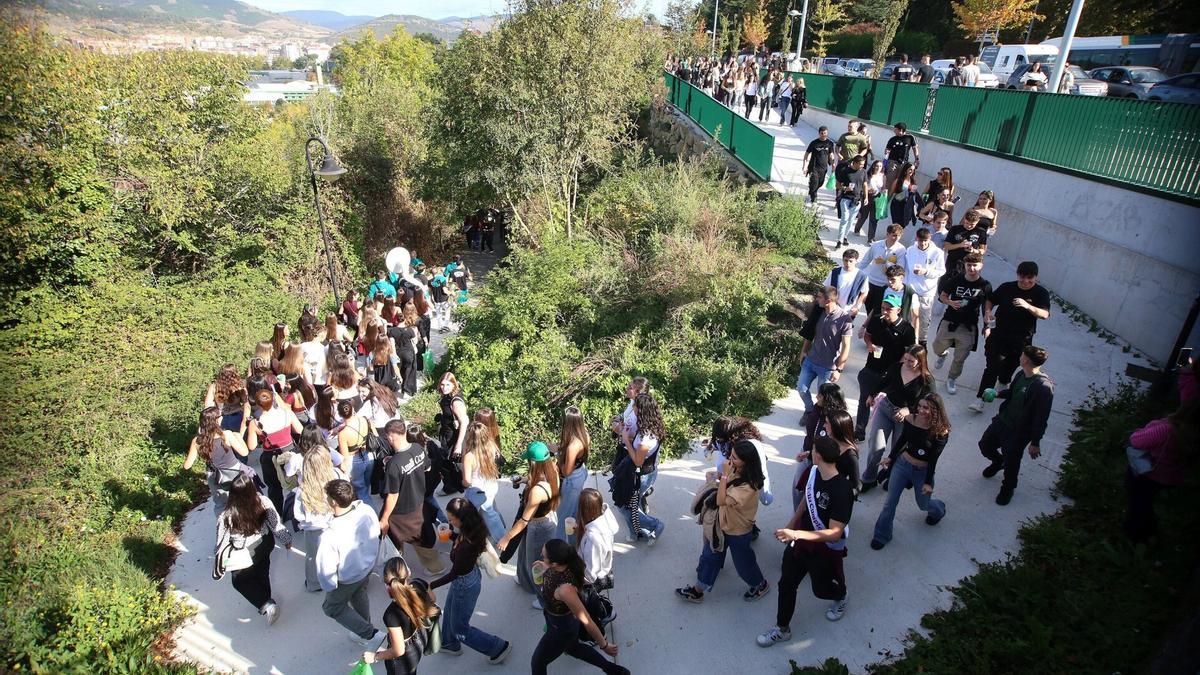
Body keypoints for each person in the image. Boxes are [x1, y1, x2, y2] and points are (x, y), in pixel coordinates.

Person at [756, 436, 854, 647]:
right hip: (800, 543)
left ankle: (842, 595)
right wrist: (792, 525)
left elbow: (835, 533)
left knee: (821, 590)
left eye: (812, 450)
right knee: (787, 583)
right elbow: (804, 502)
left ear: (818, 455)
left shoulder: (842, 490)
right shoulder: (813, 472)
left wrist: (796, 535)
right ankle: (782, 629)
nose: (809, 452)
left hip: (823, 549)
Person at [676, 439, 770, 603]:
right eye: (731, 455)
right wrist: (720, 477)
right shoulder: (737, 469)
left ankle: (760, 584)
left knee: (744, 565)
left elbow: (721, 500)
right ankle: (698, 590)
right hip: (722, 525)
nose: (729, 460)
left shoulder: (748, 487)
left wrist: (725, 475)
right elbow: (727, 485)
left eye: (734, 457)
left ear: (746, 462)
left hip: (737, 532)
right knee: (709, 556)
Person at [429, 499, 512, 664]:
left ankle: (497, 647)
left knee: (460, 628)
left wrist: (430, 585)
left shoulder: (467, 546)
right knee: (450, 610)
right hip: (467, 578)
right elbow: (460, 548)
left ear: (462, 519)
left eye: (451, 519)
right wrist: (452, 535)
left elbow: (454, 573)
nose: (449, 521)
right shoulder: (470, 531)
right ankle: (449, 643)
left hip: (464, 584)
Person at [531, 540, 627, 675]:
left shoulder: (565, 590)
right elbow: (556, 570)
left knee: (537, 662)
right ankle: (613, 670)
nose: (541, 555)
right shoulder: (565, 565)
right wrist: (546, 566)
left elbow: (586, 619)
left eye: (544, 556)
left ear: (555, 563)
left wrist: (604, 645)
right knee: (573, 648)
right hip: (555, 620)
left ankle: (611, 668)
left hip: (561, 628)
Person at [870, 393, 950, 549]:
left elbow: (933, 458)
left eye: (926, 407)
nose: (921, 410)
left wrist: (928, 482)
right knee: (889, 503)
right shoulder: (910, 419)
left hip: (922, 471)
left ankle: (938, 509)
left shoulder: (941, 431)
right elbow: (902, 440)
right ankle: (882, 535)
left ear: (936, 410)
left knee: (924, 505)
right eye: (919, 406)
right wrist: (891, 458)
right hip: (902, 465)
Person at [970, 261, 1050, 414]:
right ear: (1017, 275)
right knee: (993, 366)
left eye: (1030, 278)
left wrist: (1028, 306)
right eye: (1022, 277)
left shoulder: (1041, 293)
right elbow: (991, 300)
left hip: (1021, 339)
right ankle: (980, 399)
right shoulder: (1007, 287)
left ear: (1036, 277)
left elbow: (1045, 314)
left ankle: (1004, 381)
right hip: (999, 335)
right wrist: (988, 312)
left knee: (1011, 366)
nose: (1025, 281)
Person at [979, 346, 1055, 505]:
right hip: (1002, 421)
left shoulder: (1043, 388)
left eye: (1022, 355)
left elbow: (1041, 417)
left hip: (1018, 432)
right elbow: (1012, 393)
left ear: (1026, 360)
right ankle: (998, 461)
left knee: (1012, 462)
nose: (1020, 357)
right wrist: (997, 394)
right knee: (985, 445)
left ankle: (1008, 488)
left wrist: (1035, 442)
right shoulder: (1021, 374)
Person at [213, 473, 292, 624]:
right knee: (263, 572)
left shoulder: (227, 515)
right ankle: (266, 600)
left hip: (243, 553)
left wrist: (219, 562)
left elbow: (221, 541)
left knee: (240, 582)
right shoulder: (263, 501)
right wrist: (286, 539)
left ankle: (266, 603)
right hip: (265, 543)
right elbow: (275, 523)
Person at [1124, 391, 1199, 543]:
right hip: (1170, 478)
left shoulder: (1166, 429)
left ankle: (1135, 538)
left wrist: (1153, 425)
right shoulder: (1194, 435)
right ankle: (1148, 531)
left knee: (1138, 502)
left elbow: (1136, 440)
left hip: (1149, 474)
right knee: (1146, 501)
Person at [316, 479, 382, 645]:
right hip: (367, 567)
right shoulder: (365, 509)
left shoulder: (330, 534)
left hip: (347, 577)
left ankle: (370, 634)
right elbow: (376, 532)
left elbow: (326, 569)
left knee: (332, 607)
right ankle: (363, 627)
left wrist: (331, 586)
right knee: (358, 593)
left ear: (334, 502)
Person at [497, 441, 561, 605]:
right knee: (525, 554)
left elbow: (524, 520)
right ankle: (525, 581)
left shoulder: (537, 491)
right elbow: (539, 479)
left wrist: (507, 538)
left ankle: (544, 597)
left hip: (538, 527)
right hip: (544, 520)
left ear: (532, 463)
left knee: (536, 564)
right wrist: (524, 480)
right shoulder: (553, 469)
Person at [380, 419, 445, 575]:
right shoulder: (417, 448)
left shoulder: (393, 464)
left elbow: (392, 495)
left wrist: (384, 519)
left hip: (400, 512)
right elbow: (428, 468)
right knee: (421, 537)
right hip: (419, 503)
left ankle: (398, 571)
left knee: (392, 541)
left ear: (390, 437)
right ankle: (435, 566)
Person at [362, 556, 441, 674]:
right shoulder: (420, 584)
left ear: (386, 584)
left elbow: (398, 650)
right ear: (408, 574)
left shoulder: (391, 614)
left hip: (403, 660)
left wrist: (375, 656)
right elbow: (433, 599)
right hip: (420, 641)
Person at [856, 294, 917, 440]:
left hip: (891, 375)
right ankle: (859, 431)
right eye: (883, 308)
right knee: (864, 399)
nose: (884, 312)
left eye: (889, 309)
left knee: (885, 404)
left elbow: (909, 352)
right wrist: (869, 344)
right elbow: (867, 335)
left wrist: (897, 368)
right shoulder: (876, 320)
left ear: (898, 310)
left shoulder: (906, 329)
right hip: (872, 368)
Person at [932, 252, 992, 395]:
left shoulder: (985, 285)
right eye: (969, 265)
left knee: (961, 356)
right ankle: (942, 354)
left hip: (968, 324)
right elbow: (942, 296)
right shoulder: (955, 280)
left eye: (975, 265)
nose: (971, 268)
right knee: (937, 347)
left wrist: (987, 326)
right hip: (950, 320)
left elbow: (987, 307)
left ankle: (952, 378)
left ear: (981, 266)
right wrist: (950, 302)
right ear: (965, 265)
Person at [610, 392, 666, 544]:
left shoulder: (645, 438)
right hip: (642, 472)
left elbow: (637, 461)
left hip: (641, 475)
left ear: (641, 410)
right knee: (633, 504)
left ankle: (655, 524)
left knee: (625, 507)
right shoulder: (652, 425)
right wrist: (626, 433)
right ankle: (635, 534)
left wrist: (625, 440)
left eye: (635, 405)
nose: (632, 407)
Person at [184, 406, 253, 521]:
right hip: (234, 470)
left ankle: (224, 528)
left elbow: (187, 466)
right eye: (220, 416)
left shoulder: (197, 441)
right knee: (244, 498)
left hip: (214, 475)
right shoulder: (226, 434)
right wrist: (238, 437)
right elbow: (244, 452)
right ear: (216, 420)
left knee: (221, 505)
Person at [797, 286, 854, 413]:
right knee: (801, 389)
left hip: (828, 367)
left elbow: (846, 346)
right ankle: (809, 411)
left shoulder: (845, 319)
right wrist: (803, 351)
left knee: (823, 397)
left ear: (828, 300)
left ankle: (818, 417)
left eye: (819, 297)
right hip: (811, 360)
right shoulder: (818, 312)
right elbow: (809, 333)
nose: (817, 299)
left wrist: (839, 369)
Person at [249, 386, 303, 516]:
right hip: (290, 453)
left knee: (274, 489)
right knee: (297, 484)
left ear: (257, 404)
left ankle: (278, 516)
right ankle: (299, 512)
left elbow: (251, 446)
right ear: (273, 399)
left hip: (270, 457)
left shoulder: (255, 423)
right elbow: (300, 430)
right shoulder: (286, 413)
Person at [460, 421, 508, 543]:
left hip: (478, 491)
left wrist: (462, 482)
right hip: (491, 485)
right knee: (490, 510)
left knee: (475, 514)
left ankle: (502, 538)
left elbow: (467, 481)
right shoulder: (492, 446)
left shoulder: (469, 456)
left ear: (470, 437)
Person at [904, 227, 947, 347]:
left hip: (926, 293)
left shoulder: (937, 253)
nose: (922, 244)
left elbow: (941, 271)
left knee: (923, 321)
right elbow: (906, 269)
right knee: (906, 319)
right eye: (920, 241)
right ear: (917, 239)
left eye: (925, 241)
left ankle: (921, 345)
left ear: (930, 239)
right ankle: (906, 344)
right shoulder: (910, 250)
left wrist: (926, 272)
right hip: (911, 290)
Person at [555, 406, 591, 541]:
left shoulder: (572, 446)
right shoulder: (584, 435)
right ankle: (574, 541)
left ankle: (562, 546)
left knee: (564, 516)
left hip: (572, 480)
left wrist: (558, 454)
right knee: (574, 511)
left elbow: (566, 471)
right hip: (581, 471)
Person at [336, 399, 377, 512]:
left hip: (355, 461)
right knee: (366, 486)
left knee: (361, 491)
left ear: (339, 414)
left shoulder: (343, 434)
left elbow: (344, 456)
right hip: (369, 455)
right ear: (353, 409)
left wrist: (344, 471)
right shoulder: (364, 420)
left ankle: (373, 514)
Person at [859, 224, 908, 317]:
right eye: (893, 235)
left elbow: (900, 269)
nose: (896, 238)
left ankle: (872, 328)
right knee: (869, 306)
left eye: (899, 236)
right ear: (887, 234)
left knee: (878, 309)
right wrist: (856, 273)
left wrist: (886, 263)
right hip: (871, 281)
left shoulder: (901, 250)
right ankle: (870, 324)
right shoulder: (876, 245)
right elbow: (865, 260)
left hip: (885, 284)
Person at [435, 372, 469, 492]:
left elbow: (465, 421)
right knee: (447, 462)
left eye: (448, 385)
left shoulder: (455, 401)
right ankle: (452, 486)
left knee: (454, 463)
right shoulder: (446, 397)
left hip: (455, 437)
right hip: (447, 435)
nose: (444, 387)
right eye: (442, 385)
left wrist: (458, 445)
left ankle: (458, 486)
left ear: (454, 385)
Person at [834, 155, 867, 249]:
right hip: (845, 199)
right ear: (855, 163)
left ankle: (845, 237)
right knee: (844, 219)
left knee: (851, 220)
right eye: (860, 164)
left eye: (863, 164)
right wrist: (845, 188)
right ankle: (839, 240)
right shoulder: (845, 171)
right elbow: (837, 185)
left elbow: (865, 185)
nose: (862, 166)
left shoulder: (863, 172)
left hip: (856, 200)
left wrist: (866, 197)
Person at [822, 249, 868, 316]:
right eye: (845, 260)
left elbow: (864, 293)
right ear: (843, 259)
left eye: (851, 261)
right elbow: (826, 288)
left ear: (856, 261)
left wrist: (857, 307)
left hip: (848, 310)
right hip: (832, 306)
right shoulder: (835, 272)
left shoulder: (861, 276)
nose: (848, 263)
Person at [943, 210, 988, 275]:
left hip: (970, 263)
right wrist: (960, 245)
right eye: (967, 223)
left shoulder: (981, 232)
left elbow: (983, 250)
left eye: (972, 224)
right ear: (964, 219)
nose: (969, 226)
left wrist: (973, 250)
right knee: (947, 281)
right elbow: (946, 246)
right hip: (953, 260)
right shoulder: (955, 229)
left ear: (977, 221)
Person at [802, 126, 837, 204]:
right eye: (822, 133)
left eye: (825, 133)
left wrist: (833, 163)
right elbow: (806, 154)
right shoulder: (814, 143)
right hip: (813, 167)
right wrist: (804, 166)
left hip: (823, 168)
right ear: (819, 133)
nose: (823, 135)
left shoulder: (830, 143)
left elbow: (831, 154)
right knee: (814, 183)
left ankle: (810, 193)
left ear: (827, 133)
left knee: (820, 183)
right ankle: (813, 200)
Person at [855, 160, 887, 243]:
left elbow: (883, 188)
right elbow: (862, 186)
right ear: (873, 166)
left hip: (877, 198)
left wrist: (884, 192)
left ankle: (871, 238)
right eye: (877, 166)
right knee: (864, 215)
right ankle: (857, 228)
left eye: (880, 166)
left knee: (874, 219)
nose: (878, 168)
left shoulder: (883, 176)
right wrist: (868, 191)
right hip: (867, 197)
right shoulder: (868, 175)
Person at [888, 161, 920, 237]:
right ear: (905, 170)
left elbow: (913, 195)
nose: (911, 171)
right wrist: (886, 203)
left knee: (903, 224)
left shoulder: (913, 182)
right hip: (897, 204)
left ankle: (896, 236)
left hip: (906, 206)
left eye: (913, 170)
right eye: (910, 169)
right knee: (896, 223)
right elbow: (891, 193)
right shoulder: (898, 180)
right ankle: (893, 236)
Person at [884, 123, 919, 188]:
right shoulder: (892, 139)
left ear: (901, 130)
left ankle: (895, 196)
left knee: (900, 181)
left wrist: (917, 159)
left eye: (895, 129)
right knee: (890, 180)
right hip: (892, 162)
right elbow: (887, 149)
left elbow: (915, 148)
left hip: (904, 163)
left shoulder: (910, 137)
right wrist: (886, 152)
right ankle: (887, 196)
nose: (894, 131)